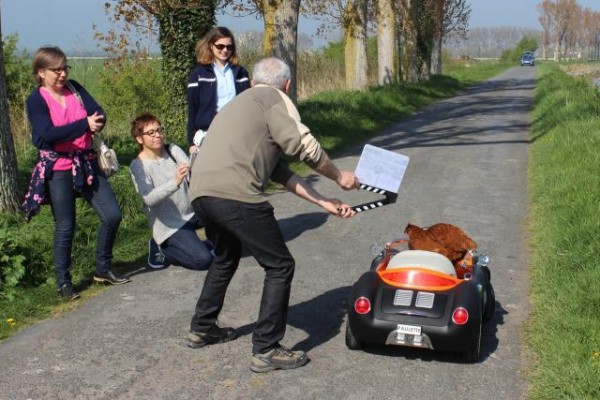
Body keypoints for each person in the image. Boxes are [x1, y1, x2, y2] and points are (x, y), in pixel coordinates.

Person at [186, 57, 360, 373]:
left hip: (200, 193)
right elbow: (303, 145)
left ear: (252, 82)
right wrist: (339, 176)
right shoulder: (275, 99)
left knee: (226, 257)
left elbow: (279, 170)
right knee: (280, 265)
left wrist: (323, 201)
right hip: (236, 195)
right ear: (288, 86)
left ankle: (202, 327)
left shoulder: (239, 104)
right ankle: (266, 348)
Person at [22, 46, 129, 300]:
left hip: (86, 162)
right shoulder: (36, 99)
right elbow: (47, 133)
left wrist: (98, 120)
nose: (62, 74)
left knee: (112, 215)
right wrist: (84, 124)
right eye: (55, 70)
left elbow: (99, 112)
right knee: (66, 226)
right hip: (58, 168)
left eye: (64, 68)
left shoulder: (75, 88)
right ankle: (63, 282)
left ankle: (103, 268)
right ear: (40, 72)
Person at [129, 112, 214, 271]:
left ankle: (204, 244)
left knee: (224, 212)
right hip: (170, 225)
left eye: (159, 130)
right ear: (139, 139)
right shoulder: (138, 166)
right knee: (204, 261)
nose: (157, 135)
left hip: (191, 212)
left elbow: (189, 167)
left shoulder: (172, 149)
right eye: (151, 133)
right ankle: (162, 250)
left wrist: (195, 160)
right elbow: (149, 198)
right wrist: (175, 182)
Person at [186, 26, 250, 153]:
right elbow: (193, 108)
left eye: (229, 47)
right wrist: (191, 142)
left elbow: (248, 104)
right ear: (211, 46)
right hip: (209, 134)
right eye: (220, 46)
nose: (225, 50)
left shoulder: (241, 73)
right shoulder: (199, 73)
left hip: (236, 132)